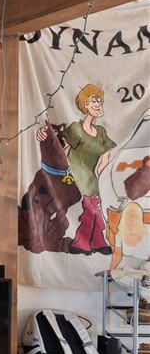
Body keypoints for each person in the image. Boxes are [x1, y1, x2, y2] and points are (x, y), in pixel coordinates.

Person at [63, 84, 116, 255]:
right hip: (76, 174)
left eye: (99, 100)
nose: (98, 103)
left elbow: (105, 159)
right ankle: (87, 243)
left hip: (92, 177)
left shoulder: (100, 132)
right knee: (92, 207)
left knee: (94, 207)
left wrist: (103, 178)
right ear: (85, 104)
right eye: (94, 100)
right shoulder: (76, 129)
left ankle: (87, 243)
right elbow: (61, 149)